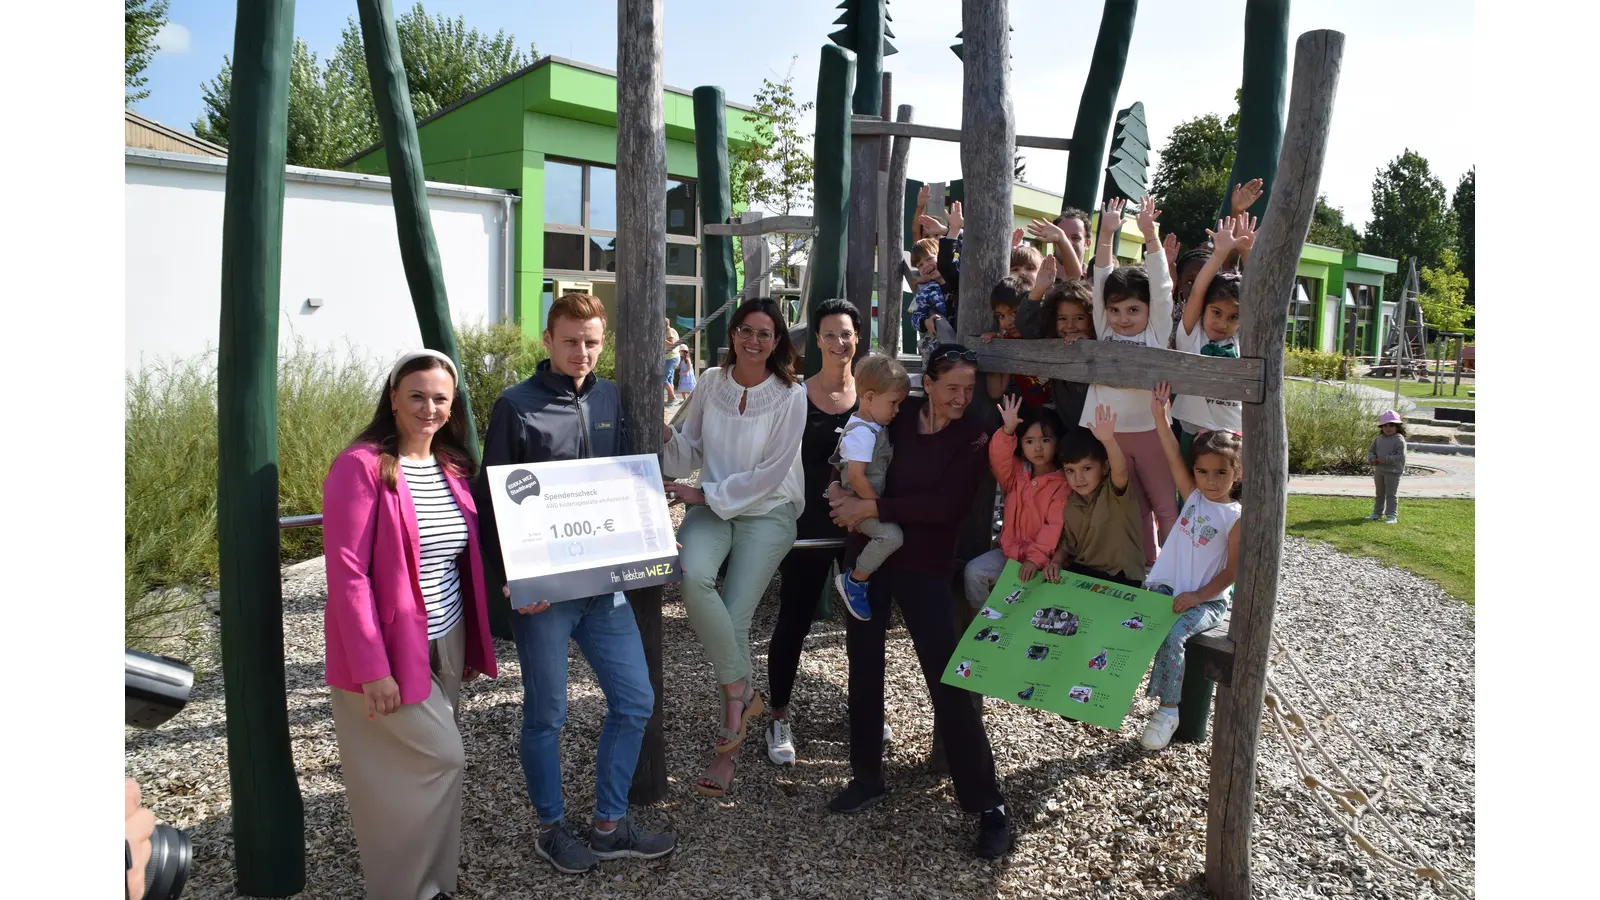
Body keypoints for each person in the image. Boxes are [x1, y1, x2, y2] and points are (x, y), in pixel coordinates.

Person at [473, 293, 675, 875]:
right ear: (547, 341)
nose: (582, 352)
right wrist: (511, 581)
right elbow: (492, 505)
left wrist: (653, 539)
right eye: (570, 341)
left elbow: (624, 482)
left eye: (591, 341)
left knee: (635, 699)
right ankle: (551, 827)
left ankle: (609, 826)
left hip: (602, 589)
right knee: (547, 714)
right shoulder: (516, 405)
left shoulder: (612, 396)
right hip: (543, 593)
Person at [323, 348, 499, 899]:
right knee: (440, 760)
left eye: (440, 398)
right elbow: (348, 574)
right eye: (417, 395)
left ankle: (431, 886)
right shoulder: (362, 465)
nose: (429, 407)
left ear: (452, 406)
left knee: (422, 776)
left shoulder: (448, 467)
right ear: (394, 396)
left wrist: (468, 644)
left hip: (445, 637)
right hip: (388, 647)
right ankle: (403, 890)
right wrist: (373, 669)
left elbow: (460, 557)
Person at [827, 345, 1014, 860]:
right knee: (863, 669)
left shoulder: (974, 434)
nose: (960, 397)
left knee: (948, 679)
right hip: (868, 556)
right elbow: (851, 450)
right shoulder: (896, 411)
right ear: (925, 384)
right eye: (951, 387)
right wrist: (841, 492)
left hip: (927, 565)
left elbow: (946, 505)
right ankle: (866, 775)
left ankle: (986, 803)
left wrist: (875, 505)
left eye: (968, 389)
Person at [662, 297, 806, 798]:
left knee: (737, 614)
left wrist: (702, 493)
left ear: (777, 341)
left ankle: (728, 745)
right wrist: (665, 436)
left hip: (768, 511)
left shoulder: (792, 395)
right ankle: (743, 693)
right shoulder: (709, 382)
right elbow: (690, 449)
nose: (753, 340)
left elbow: (770, 473)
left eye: (765, 334)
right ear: (734, 334)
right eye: (746, 330)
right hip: (711, 506)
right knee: (691, 574)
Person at [765, 299, 892, 766]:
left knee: (865, 620)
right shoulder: (795, 396)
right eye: (830, 334)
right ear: (815, 341)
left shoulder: (874, 397)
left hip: (861, 526)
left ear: (859, 337)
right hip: (808, 526)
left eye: (847, 334)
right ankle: (778, 712)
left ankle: (865, 710)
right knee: (794, 619)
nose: (840, 342)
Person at [1139, 383, 1244, 751]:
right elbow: (1171, 457)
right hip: (1169, 590)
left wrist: (1199, 595)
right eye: (1202, 472)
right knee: (1130, 623)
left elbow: (1232, 572)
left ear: (1237, 472)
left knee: (1172, 636)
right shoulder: (1195, 497)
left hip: (1206, 601)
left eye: (1220, 473)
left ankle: (1169, 710)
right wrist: (1159, 417)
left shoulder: (1235, 517)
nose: (1210, 481)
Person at [1084, 196, 1177, 566]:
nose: (1122, 319)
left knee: (1165, 506)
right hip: (1111, 432)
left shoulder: (1156, 328)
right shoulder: (1103, 327)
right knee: (1134, 507)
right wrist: (1106, 234)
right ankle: (1146, 570)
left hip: (1152, 430)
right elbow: (1102, 275)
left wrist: (1150, 236)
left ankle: (1173, 572)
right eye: (1116, 310)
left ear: (1148, 310)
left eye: (1133, 310)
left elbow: (1163, 288)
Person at [964, 396, 1069, 610]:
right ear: (1020, 445)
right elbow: (998, 458)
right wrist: (1008, 431)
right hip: (1009, 555)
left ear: (1058, 442)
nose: (1038, 447)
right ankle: (982, 623)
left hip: (1043, 562)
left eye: (1045, 440)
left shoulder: (1063, 483)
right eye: (1029, 441)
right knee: (974, 572)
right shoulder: (1017, 474)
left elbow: (1053, 527)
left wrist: (1035, 560)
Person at [832, 351, 912, 619]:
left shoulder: (869, 425)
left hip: (863, 501)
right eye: (893, 403)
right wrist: (873, 508)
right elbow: (856, 476)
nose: (897, 410)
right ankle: (855, 580)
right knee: (892, 536)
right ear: (868, 398)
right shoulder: (863, 434)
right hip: (861, 501)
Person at [1171, 215, 1256, 457]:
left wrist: (1247, 251)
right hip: (1194, 433)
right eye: (1216, 312)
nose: (1222, 323)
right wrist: (1218, 254)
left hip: (1233, 437)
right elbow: (1198, 290)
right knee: (1189, 493)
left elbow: (1259, 297)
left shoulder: (1240, 340)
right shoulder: (1191, 334)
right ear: (1204, 309)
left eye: (1232, 317)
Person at [1045, 408, 1148, 588]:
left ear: (1105, 467)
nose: (1079, 478)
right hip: (1085, 573)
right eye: (1070, 470)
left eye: (1087, 468)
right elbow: (1067, 545)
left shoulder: (1115, 493)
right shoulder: (1071, 505)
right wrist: (1055, 562)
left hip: (1121, 576)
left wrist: (1108, 441)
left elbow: (1121, 471)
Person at [1043, 278, 1096, 425]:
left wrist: (1087, 343)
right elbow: (1026, 326)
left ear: (1092, 319)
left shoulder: (1101, 341)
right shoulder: (1052, 342)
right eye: (1062, 318)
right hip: (1068, 425)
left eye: (1079, 318)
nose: (1070, 326)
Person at [1367, 410, 1407, 524]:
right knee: (1379, 493)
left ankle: (1392, 515)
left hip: (1393, 472)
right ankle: (1377, 513)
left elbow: (1400, 456)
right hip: (1379, 470)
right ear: (1382, 427)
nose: (1388, 428)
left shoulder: (1399, 439)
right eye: (1385, 425)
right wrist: (1372, 458)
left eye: (1391, 425)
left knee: (1391, 494)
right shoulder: (1378, 438)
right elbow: (1371, 451)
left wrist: (1387, 459)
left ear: (1397, 426)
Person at [664, 316, 681, 404]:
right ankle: (670, 399)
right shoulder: (668, 331)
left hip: (671, 357)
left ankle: (673, 397)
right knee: (669, 379)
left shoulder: (670, 331)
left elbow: (672, 344)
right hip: (670, 357)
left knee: (663, 379)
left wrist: (661, 339)